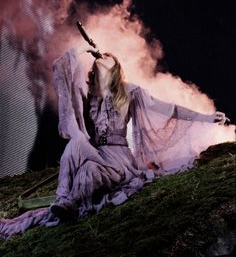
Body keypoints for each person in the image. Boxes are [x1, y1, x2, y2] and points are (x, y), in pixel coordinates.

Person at [0, 43, 231, 239]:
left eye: (108, 60)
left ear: (116, 69)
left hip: (119, 160)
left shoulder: (130, 92)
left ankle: (69, 203)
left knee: (88, 170)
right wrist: (80, 49)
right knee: (76, 142)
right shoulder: (91, 96)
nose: (103, 60)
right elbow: (63, 69)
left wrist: (207, 118)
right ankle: (63, 200)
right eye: (100, 61)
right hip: (97, 152)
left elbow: (169, 110)